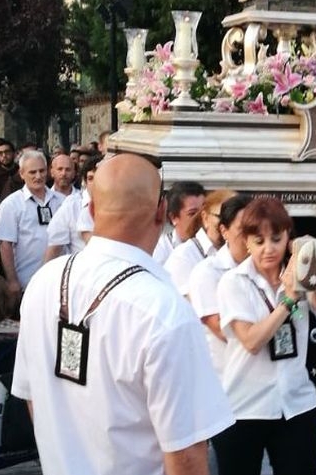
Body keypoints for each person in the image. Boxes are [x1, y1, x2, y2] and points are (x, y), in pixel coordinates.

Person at [13, 153, 233, 475]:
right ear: (161, 212)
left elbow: (33, 398)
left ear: (90, 211)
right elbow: (185, 455)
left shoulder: (44, 282)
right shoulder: (164, 311)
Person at [213, 196, 316, 475]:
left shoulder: (300, 273)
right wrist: (289, 301)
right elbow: (251, 340)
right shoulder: (233, 282)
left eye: (276, 239)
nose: (269, 249)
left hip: (295, 405)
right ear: (246, 242)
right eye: (259, 241)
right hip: (244, 408)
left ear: (288, 237)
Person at [188, 194, 253, 375]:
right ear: (224, 231)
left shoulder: (269, 270)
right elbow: (223, 331)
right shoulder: (207, 272)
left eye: (255, 230)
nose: (250, 237)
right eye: (243, 230)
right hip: (223, 380)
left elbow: (298, 316)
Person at [0, 149, 67, 303]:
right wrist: (12, 280)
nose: (38, 176)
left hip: (59, 282)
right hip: (27, 281)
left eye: (42, 171)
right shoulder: (11, 204)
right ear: (22, 174)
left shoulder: (62, 201)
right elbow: (5, 245)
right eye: (32, 172)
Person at [166, 188, 234, 297]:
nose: (228, 224)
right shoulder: (184, 257)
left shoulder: (239, 254)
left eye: (234, 219)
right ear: (205, 218)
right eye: (222, 217)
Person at [44, 155, 100, 261]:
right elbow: (55, 248)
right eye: (90, 178)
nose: (96, 183)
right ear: (84, 181)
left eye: (99, 178)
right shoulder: (72, 205)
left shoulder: (119, 205)